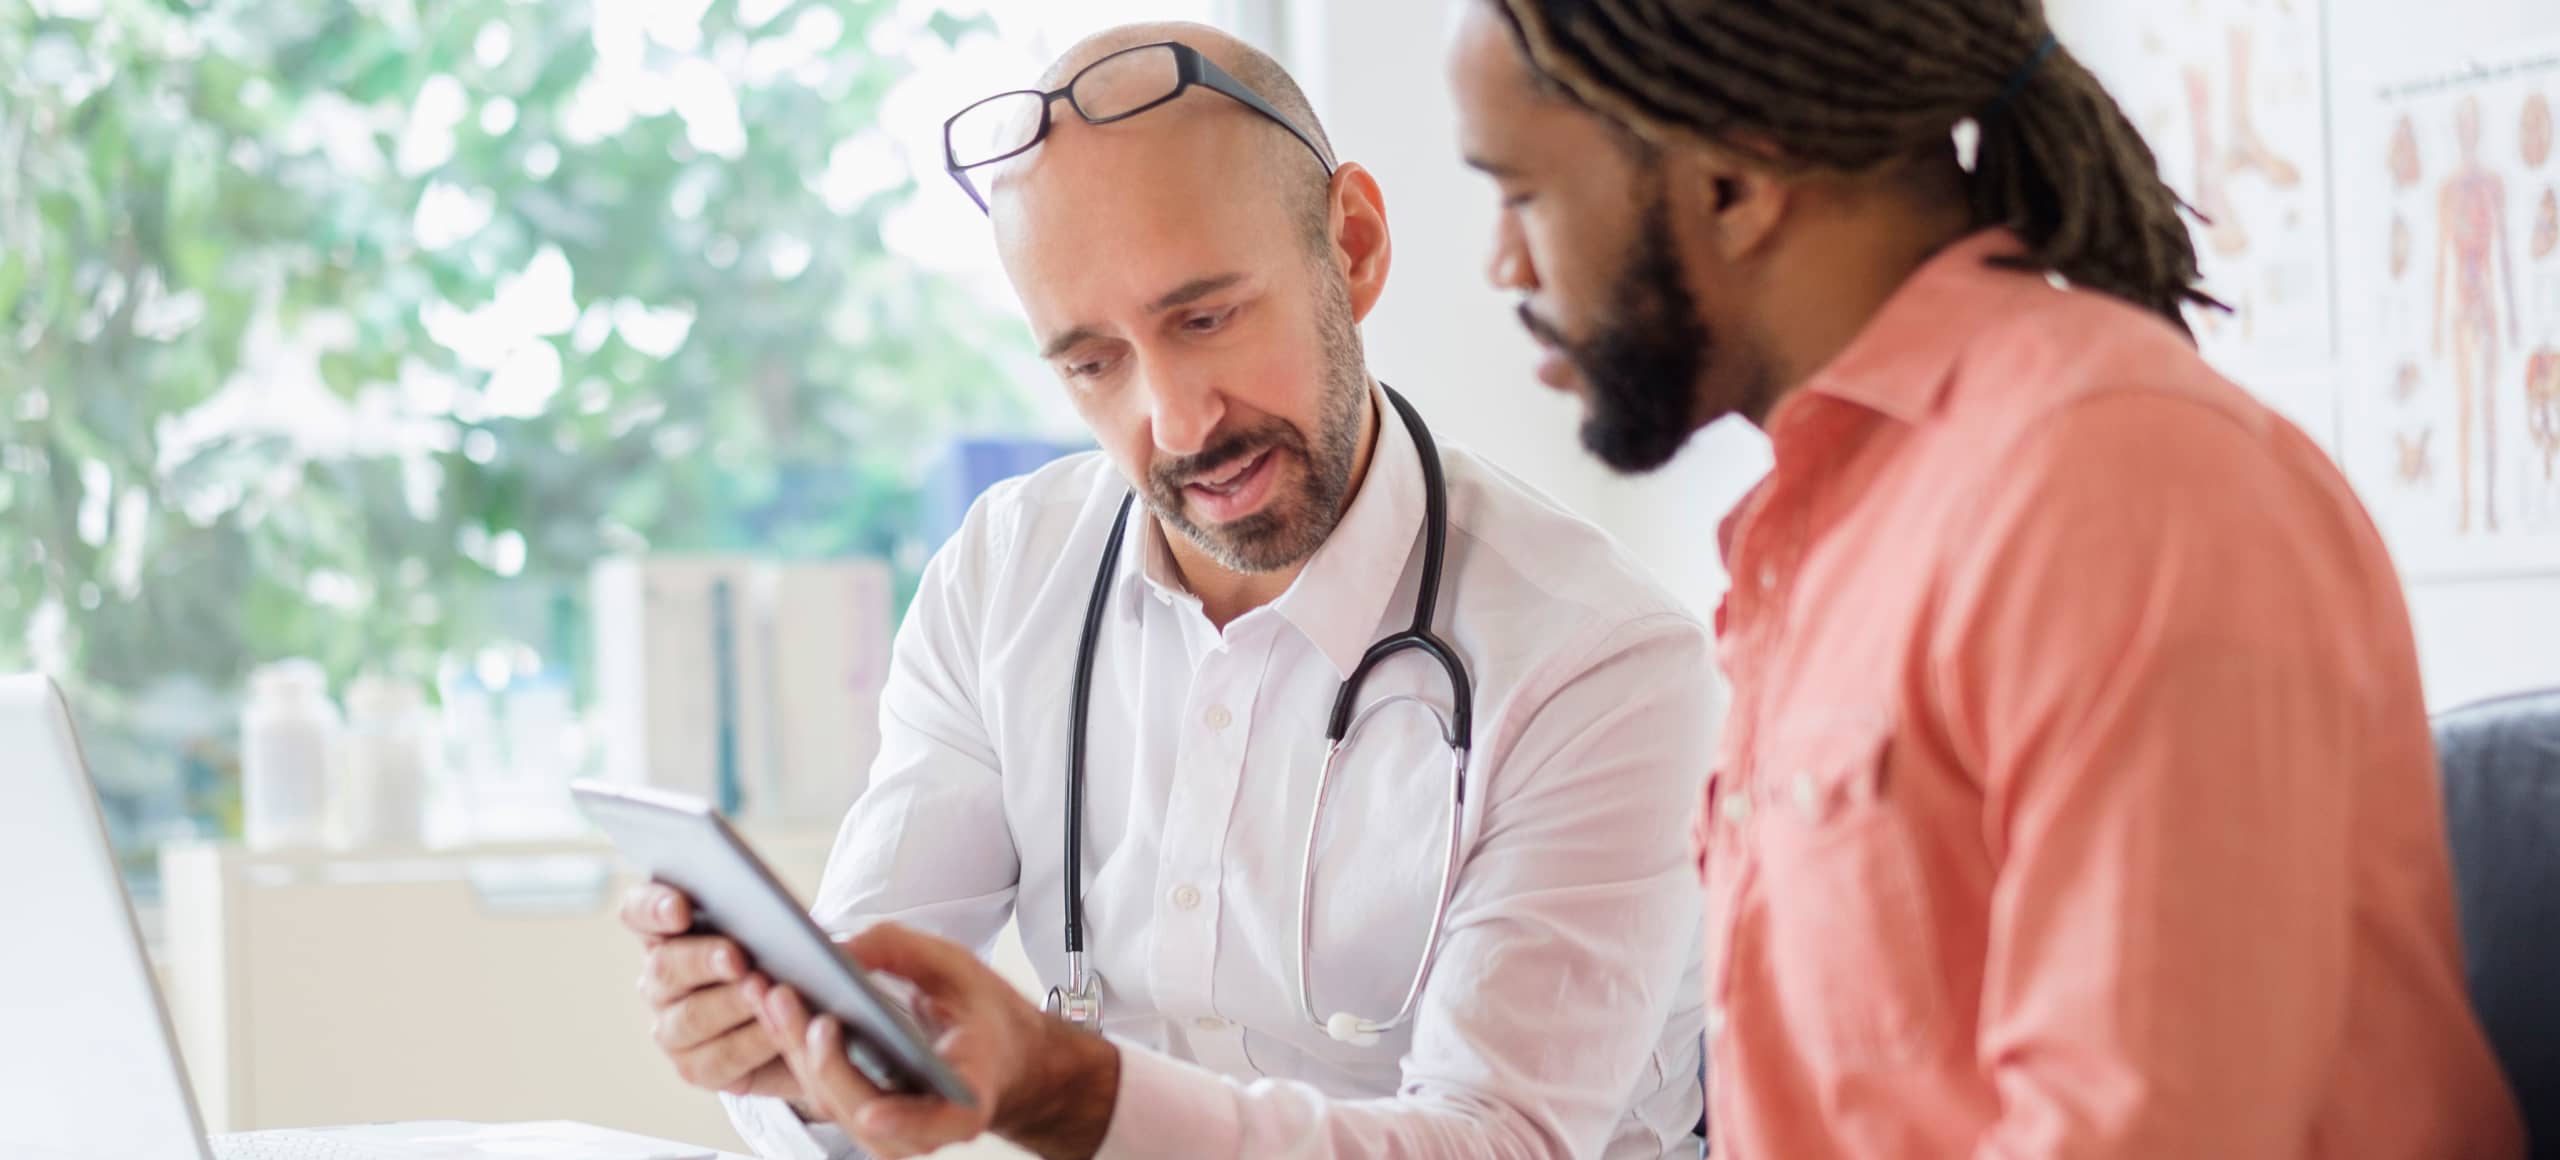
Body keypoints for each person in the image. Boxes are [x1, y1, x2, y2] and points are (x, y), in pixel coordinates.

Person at [1443, 1, 2525, 1158]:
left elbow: (2147, 1132)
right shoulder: (1840, 521)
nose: (1502, 263)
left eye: (1520, 195)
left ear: (1733, 186)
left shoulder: (2115, 490)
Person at [618, 21, 1712, 1160]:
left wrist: (1060, 1089)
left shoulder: (1602, 660)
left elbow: (1498, 1144)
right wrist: (791, 1049)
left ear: (1354, 245)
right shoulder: (1007, 574)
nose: (1179, 422)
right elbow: (869, 1004)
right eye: (1094, 362)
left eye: (1205, 317)